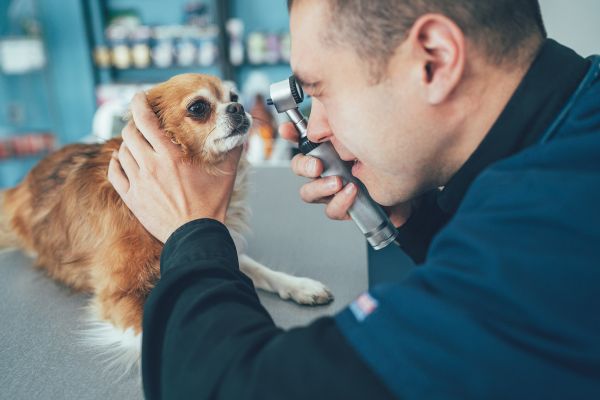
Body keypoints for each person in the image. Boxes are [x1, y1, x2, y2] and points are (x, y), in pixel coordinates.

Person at [107, 0, 600, 398]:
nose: (314, 128)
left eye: (320, 91)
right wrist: (419, 220)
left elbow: (230, 387)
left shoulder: (539, 248)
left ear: (434, 59)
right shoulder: (571, 140)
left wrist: (191, 232)